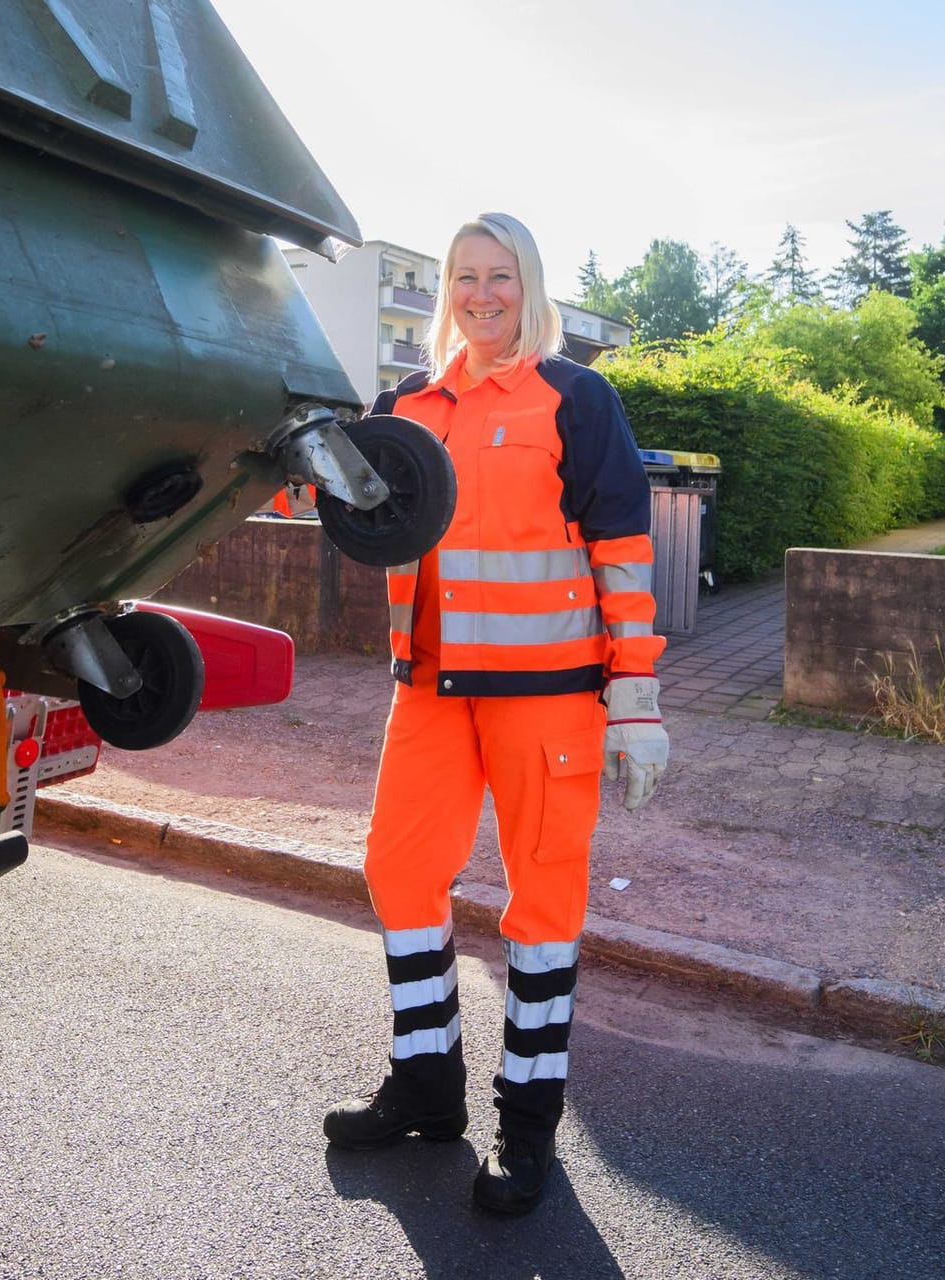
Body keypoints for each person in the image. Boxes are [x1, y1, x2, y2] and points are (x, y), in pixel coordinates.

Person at [320, 213, 669, 1216]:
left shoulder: (576, 397)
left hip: (550, 698)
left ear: (531, 286)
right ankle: (427, 1084)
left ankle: (528, 1121)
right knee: (398, 870)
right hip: (428, 691)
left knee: (543, 906)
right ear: (447, 292)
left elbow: (622, 552)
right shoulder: (407, 405)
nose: (482, 293)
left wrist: (635, 699)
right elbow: (358, 513)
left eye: (500, 276)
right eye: (465, 277)